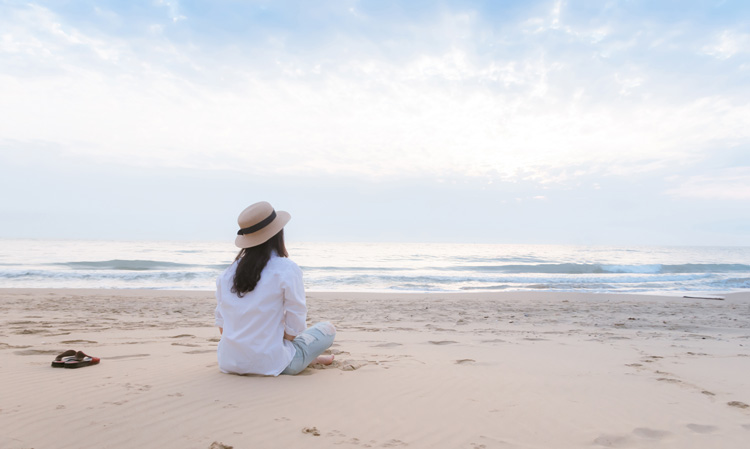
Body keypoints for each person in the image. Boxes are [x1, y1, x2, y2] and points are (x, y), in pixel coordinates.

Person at [214, 201, 336, 376]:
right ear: (278, 234)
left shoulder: (227, 274)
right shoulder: (286, 269)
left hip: (230, 362)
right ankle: (304, 357)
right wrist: (279, 343)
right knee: (328, 328)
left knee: (273, 336)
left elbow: (222, 326)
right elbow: (296, 320)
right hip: (273, 364)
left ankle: (306, 357)